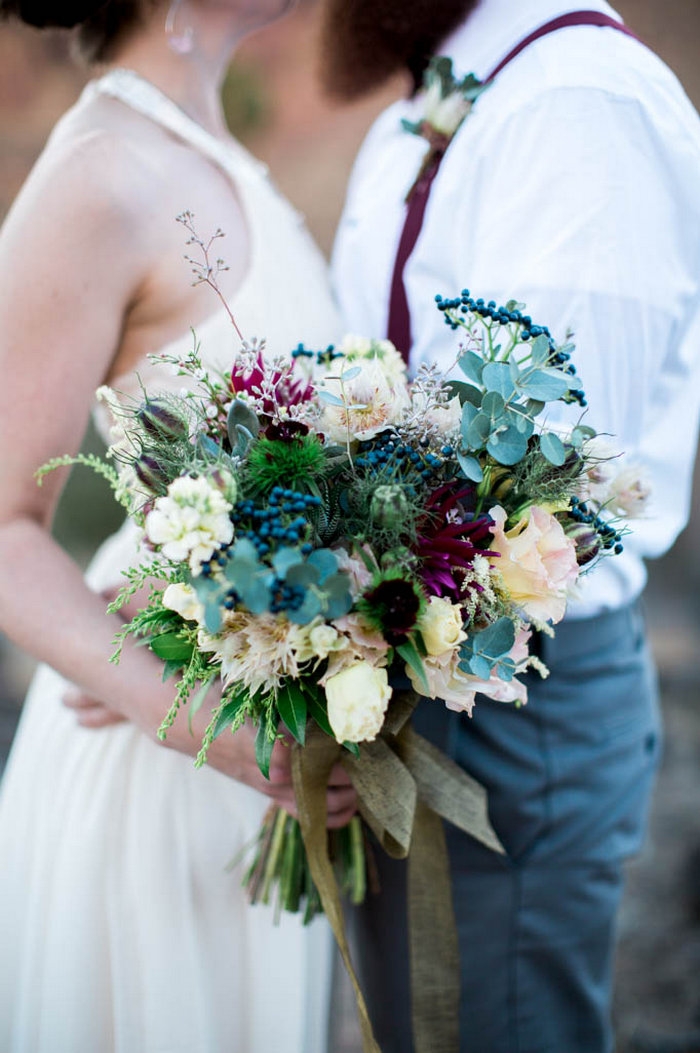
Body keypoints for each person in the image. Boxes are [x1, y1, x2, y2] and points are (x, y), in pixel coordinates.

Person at [325, 0, 700, 1051]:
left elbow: (545, 489)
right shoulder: (448, 85)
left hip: (511, 694)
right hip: (404, 676)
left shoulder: (574, 103)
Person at [0, 1, 356, 1050]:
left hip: (260, 763)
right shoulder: (102, 174)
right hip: (165, 769)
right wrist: (210, 727)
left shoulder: (210, 156)